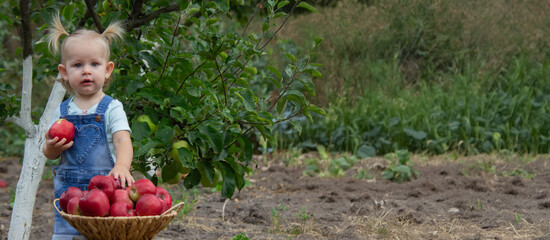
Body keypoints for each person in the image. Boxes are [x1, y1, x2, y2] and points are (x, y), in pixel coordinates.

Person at [42, 14, 135, 240]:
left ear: (108, 69)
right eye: (78, 65)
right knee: (65, 236)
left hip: (106, 193)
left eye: (94, 64)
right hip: (69, 196)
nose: (86, 70)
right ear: (64, 72)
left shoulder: (112, 107)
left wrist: (122, 165)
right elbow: (48, 151)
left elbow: (122, 139)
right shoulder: (62, 112)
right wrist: (52, 149)